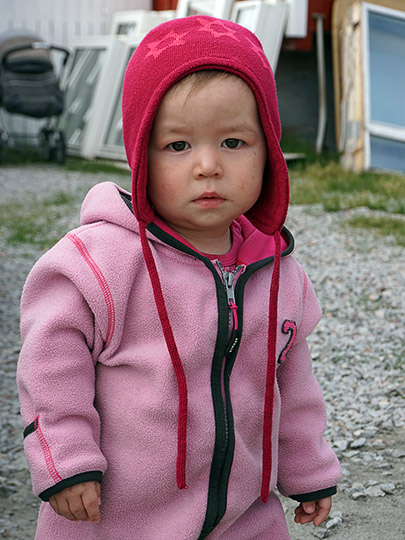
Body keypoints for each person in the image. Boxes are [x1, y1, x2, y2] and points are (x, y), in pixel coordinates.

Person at [17, 15, 341, 540]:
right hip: (115, 518)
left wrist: (307, 471)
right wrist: (67, 458)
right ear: (140, 154)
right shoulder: (98, 262)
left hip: (244, 519)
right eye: (178, 146)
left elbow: (293, 384)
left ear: (270, 153)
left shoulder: (278, 271)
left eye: (234, 142)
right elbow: (51, 362)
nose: (208, 166)